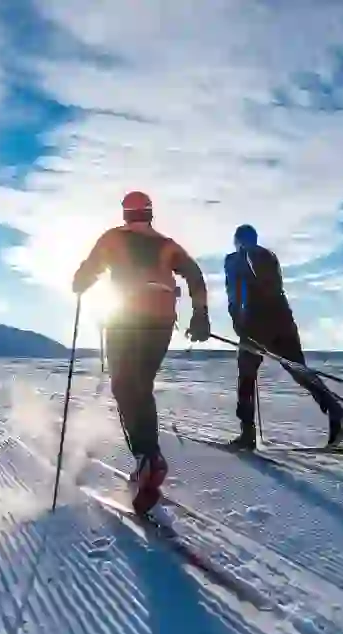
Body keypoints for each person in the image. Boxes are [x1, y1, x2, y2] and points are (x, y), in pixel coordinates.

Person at [72, 190, 210, 515]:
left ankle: (147, 457)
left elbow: (89, 270)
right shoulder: (167, 244)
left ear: (125, 215)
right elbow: (195, 274)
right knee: (140, 385)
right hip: (161, 320)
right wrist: (200, 314)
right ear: (150, 214)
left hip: (126, 317)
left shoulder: (113, 239)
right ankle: (149, 458)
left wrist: (81, 281)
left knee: (123, 385)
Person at [223, 224, 343, 449]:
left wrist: (240, 325)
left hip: (256, 324)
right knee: (299, 370)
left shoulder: (235, 259)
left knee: (246, 375)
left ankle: (247, 434)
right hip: (284, 320)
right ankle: (335, 410)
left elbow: (236, 296)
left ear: (238, 240)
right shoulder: (270, 256)